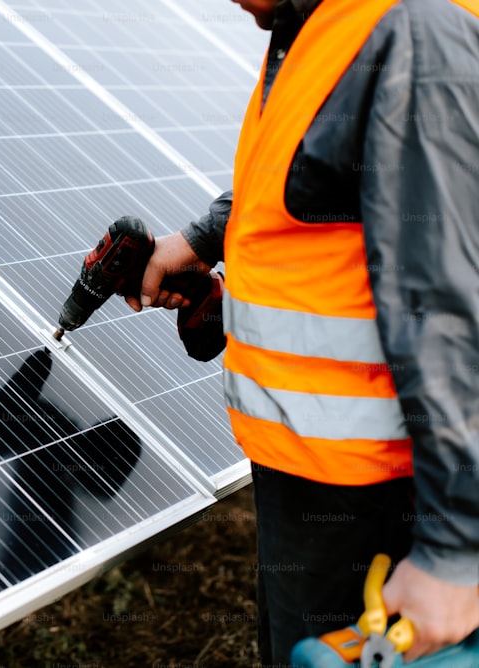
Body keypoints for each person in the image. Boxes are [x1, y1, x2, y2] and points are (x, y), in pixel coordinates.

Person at [125, 0, 479, 663]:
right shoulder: (312, 28)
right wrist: (204, 245)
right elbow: (315, 182)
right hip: (308, 468)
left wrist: (457, 551)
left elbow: (452, 304)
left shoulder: (415, 27)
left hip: (378, 489)